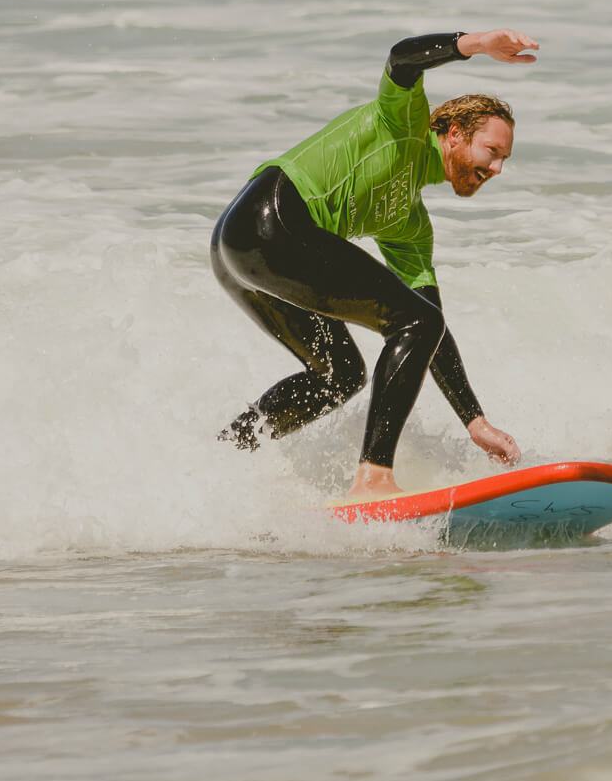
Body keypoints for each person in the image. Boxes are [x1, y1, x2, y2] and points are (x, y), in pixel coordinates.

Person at [210, 29, 537, 498]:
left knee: (341, 374)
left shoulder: (408, 223)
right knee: (413, 322)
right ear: (455, 133)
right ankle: (373, 477)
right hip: (271, 219)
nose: (497, 169)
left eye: (505, 159)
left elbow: (432, 328)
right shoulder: (404, 124)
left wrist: (475, 420)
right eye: (492, 152)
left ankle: (224, 456)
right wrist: (475, 43)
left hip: (235, 249)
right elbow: (402, 59)